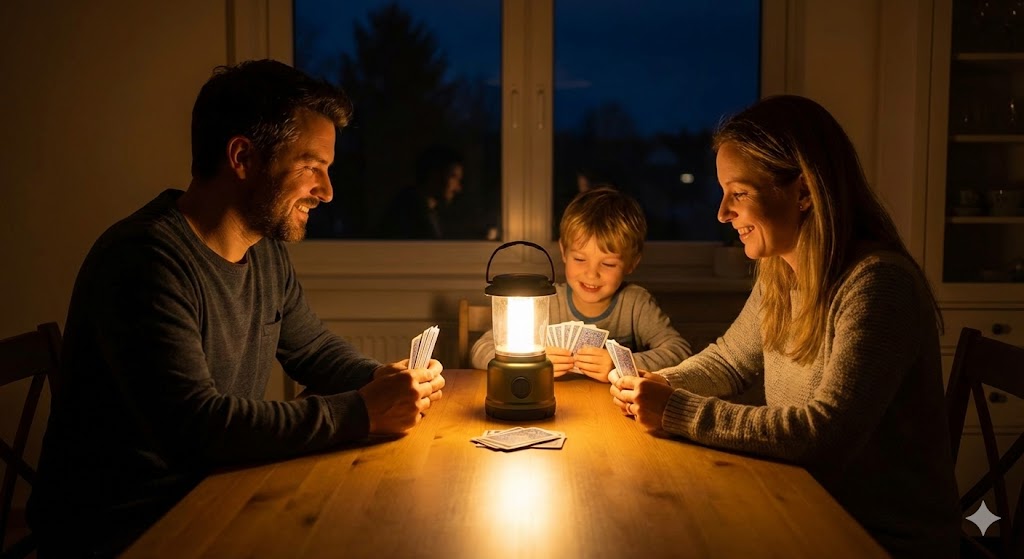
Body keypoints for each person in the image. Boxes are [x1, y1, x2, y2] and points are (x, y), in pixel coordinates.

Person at [27, 59, 445, 557]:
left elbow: (311, 349)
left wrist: (386, 381)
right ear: (243, 157)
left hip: (215, 492)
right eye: (312, 167)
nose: (327, 192)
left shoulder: (263, 251)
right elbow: (198, 429)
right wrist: (360, 411)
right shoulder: (143, 261)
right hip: (127, 530)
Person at [609, 95, 959, 558]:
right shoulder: (782, 271)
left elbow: (823, 434)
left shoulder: (877, 286)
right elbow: (730, 361)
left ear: (803, 192)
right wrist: (654, 385)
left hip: (876, 538)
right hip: (806, 505)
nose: (721, 213)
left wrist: (675, 409)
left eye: (739, 193)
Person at [471, 187, 691, 381]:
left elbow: (680, 352)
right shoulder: (544, 302)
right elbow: (481, 350)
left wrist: (621, 364)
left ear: (631, 264)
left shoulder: (635, 303)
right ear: (564, 252)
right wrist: (531, 361)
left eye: (608, 264)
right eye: (580, 259)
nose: (591, 274)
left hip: (618, 414)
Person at [380, 145, 469, 239]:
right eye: (453, 177)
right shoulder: (408, 211)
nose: (458, 188)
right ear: (434, 175)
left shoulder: (429, 211)